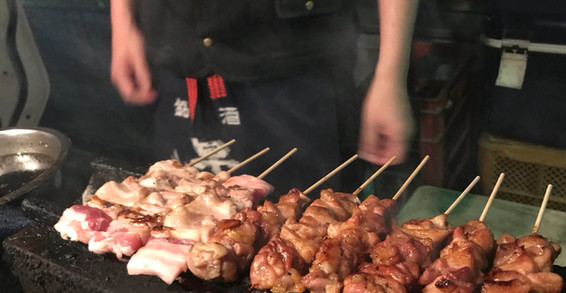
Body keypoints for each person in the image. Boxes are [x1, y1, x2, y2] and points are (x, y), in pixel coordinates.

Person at [110, 0, 418, 195]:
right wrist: (123, 24)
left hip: (295, 74)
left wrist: (391, 75)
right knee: (179, 232)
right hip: (177, 65)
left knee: (314, 240)